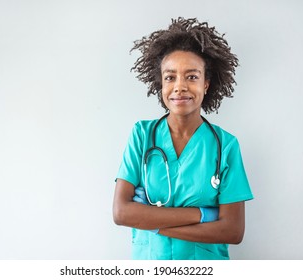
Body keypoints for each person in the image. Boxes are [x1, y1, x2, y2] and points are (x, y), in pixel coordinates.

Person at [112, 17, 253, 260]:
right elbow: (122, 213)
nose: (180, 87)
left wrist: (153, 222)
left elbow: (232, 230)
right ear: (161, 84)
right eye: (170, 77)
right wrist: (203, 214)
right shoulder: (142, 135)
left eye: (192, 76)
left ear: (206, 84)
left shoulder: (226, 145)